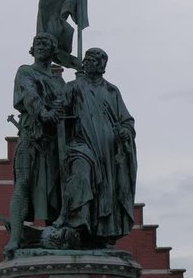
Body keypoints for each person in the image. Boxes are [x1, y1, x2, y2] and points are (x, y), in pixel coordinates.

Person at [55, 47, 137, 247]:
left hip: (108, 151)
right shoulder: (73, 87)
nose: (92, 62)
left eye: (97, 59)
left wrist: (126, 131)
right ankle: (78, 223)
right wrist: (55, 109)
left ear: (103, 66)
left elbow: (126, 120)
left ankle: (102, 232)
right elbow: (59, 112)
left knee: (107, 190)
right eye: (89, 58)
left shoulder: (112, 91)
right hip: (81, 145)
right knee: (81, 174)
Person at [4, 33, 65, 256]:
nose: (40, 46)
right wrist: (44, 112)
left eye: (45, 43)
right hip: (31, 135)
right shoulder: (25, 71)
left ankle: (53, 238)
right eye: (37, 43)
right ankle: (15, 238)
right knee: (23, 183)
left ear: (53, 50)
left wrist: (64, 106)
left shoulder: (59, 82)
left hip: (54, 142)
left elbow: (68, 104)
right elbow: (29, 95)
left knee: (56, 191)